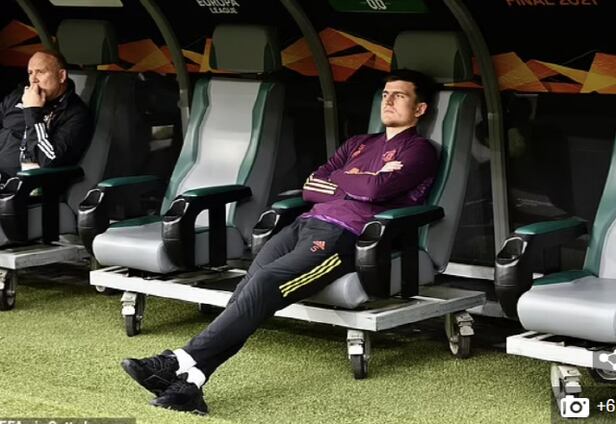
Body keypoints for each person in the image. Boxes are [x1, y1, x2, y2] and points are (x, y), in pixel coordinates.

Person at [120, 69, 439, 415]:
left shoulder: (420, 150)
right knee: (248, 288)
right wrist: (358, 179)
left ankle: (177, 361)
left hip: (346, 237)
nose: (388, 101)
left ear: (419, 109)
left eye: (400, 95)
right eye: (386, 94)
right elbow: (311, 187)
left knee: (266, 283)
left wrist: (344, 179)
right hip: (304, 225)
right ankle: (192, 382)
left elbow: (375, 190)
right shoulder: (358, 143)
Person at [0, 50, 92, 180]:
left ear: (61, 76)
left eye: (40, 72)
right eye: (30, 73)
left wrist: (32, 111)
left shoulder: (76, 114)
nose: (33, 79)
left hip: (20, 184)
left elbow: (48, 160)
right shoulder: (17, 96)